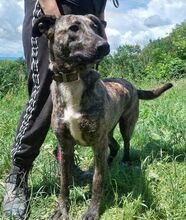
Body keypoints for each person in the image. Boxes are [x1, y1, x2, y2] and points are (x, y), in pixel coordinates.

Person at [2, 0, 119, 218]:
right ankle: (18, 175)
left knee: (87, 89)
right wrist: (55, 23)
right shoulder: (53, 26)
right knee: (44, 94)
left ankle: (68, 165)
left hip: (89, 15)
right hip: (56, 9)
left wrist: (99, 26)